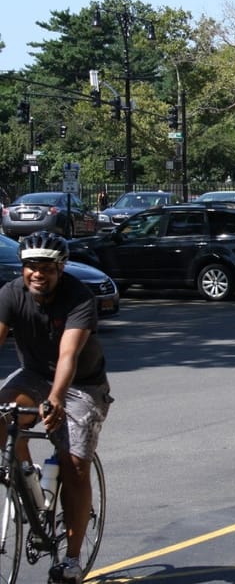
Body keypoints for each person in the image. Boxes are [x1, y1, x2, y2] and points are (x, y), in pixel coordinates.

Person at [0, 231, 113, 584]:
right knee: (2, 415)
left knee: (74, 464)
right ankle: (23, 472)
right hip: (33, 375)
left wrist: (56, 398)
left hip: (81, 384)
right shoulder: (10, 294)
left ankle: (73, 560)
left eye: (46, 267)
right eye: (31, 266)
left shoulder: (79, 297)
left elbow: (68, 355)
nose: (37, 274)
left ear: (60, 269)